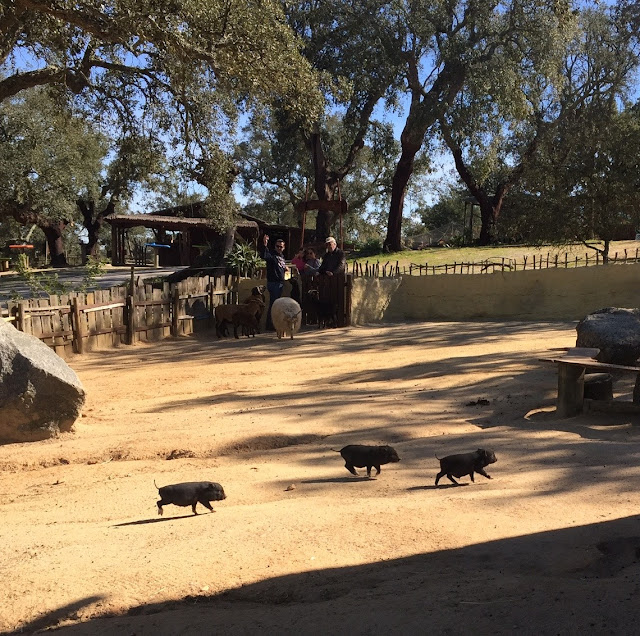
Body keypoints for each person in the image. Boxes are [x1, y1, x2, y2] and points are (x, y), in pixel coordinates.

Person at [259, 234, 289, 330]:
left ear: (284, 248)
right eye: (277, 246)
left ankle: (273, 324)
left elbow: (280, 266)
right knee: (274, 304)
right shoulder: (272, 255)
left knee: (276, 304)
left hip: (280, 283)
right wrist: (265, 244)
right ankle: (270, 325)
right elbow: (264, 255)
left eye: (281, 247)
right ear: (275, 246)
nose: (279, 248)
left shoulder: (282, 256)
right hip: (273, 282)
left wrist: (285, 268)